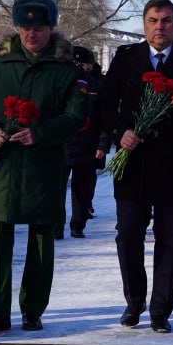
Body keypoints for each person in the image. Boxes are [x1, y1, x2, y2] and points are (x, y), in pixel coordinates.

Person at [97, 0, 173, 333]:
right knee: (129, 237)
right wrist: (119, 132)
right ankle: (134, 302)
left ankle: (160, 310)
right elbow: (105, 105)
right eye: (153, 20)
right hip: (133, 163)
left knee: (169, 240)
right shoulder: (127, 58)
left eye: (166, 20)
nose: (159, 27)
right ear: (144, 24)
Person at [0, 0, 86, 335]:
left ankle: (32, 310)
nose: (32, 35)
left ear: (51, 28)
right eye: (25, 28)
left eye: (39, 28)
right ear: (17, 29)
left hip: (42, 166)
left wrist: (42, 133)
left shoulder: (67, 70)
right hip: (0, 165)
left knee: (42, 240)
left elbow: (76, 116)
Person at [62, 45, 105, 239]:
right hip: (62, 143)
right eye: (74, 62)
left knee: (83, 190)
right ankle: (55, 225)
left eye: (82, 63)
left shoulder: (96, 86)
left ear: (89, 65)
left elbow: (106, 119)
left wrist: (103, 145)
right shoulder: (59, 84)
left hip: (88, 144)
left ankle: (78, 225)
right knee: (56, 188)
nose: (78, 66)